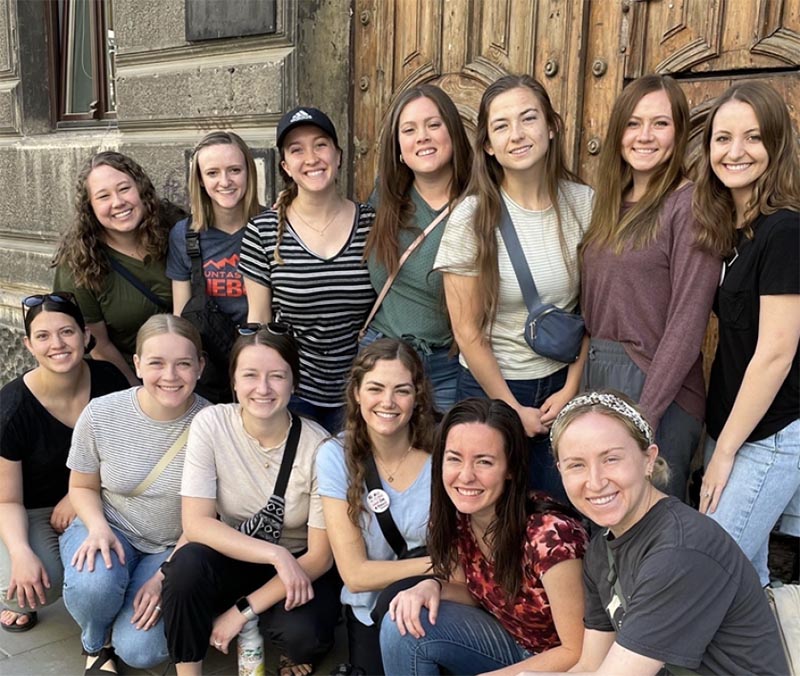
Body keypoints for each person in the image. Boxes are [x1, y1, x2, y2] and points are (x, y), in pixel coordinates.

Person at [540, 391, 788, 675]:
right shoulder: (601, 551)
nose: (595, 482)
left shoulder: (681, 549)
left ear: (648, 459)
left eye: (611, 459)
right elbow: (590, 666)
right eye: (577, 465)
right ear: (560, 471)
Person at [434, 74, 593, 498]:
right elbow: (467, 332)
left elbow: (593, 312)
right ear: (487, 144)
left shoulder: (585, 204)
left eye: (528, 119)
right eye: (501, 126)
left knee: (559, 517)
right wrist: (509, 406)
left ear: (551, 126)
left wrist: (572, 388)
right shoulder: (470, 218)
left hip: (562, 384)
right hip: (492, 391)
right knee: (493, 515)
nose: (517, 135)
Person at [161, 327, 341, 676]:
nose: (263, 388)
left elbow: (320, 557)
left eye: (277, 376)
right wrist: (276, 554)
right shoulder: (211, 424)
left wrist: (240, 611)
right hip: (238, 550)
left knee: (302, 637)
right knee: (185, 569)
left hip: (300, 564)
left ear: (293, 383)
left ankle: (265, 626)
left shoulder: (320, 448)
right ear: (234, 382)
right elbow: (196, 524)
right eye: (250, 376)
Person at [579, 74, 722, 501]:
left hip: (658, 385)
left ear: (678, 132)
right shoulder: (608, 203)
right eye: (633, 123)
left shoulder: (689, 205)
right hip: (600, 376)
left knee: (648, 520)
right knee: (601, 513)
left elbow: (687, 323)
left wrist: (645, 416)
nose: (645, 136)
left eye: (660, 123)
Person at [380, 398, 587, 676]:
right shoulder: (460, 514)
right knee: (403, 620)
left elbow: (578, 652)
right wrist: (432, 586)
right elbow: (481, 594)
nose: (466, 476)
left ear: (511, 468)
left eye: (484, 462)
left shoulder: (551, 536)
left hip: (557, 665)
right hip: (506, 639)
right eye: (454, 458)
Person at [693, 81, 800, 587]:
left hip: (768, 434)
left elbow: (776, 354)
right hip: (731, 425)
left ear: (776, 145)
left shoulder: (785, 230)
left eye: (753, 138)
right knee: (743, 580)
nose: (735, 152)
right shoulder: (732, 227)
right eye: (722, 138)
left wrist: (726, 452)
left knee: (711, 573)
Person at [59, 315, 208, 674]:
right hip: (111, 526)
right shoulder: (102, 413)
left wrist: (164, 577)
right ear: (138, 364)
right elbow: (80, 486)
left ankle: (124, 614)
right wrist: (96, 527)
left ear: (200, 367)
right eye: (156, 363)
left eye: (183, 364)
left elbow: (211, 517)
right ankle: (96, 644)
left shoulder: (213, 424)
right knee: (95, 583)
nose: (170, 376)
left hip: (174, 544)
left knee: (141, 651)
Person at [239, 107, 376, 432]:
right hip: (295, 392)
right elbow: (259, 322)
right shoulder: (264, 231)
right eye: (297, 150)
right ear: (286, 166)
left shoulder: (372, 223)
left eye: (320, 145)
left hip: (363, 393)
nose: (311, 158)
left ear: (339, 155)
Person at [0, 293, 127, 633]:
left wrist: (78, 494)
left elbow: (127, 450)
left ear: (86, 336)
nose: (57, 344)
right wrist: (21, 553)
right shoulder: (12, 409)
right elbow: (7, 499)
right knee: (34, 586)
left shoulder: (110, 380)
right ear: (28, 344)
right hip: (33, 508)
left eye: (67, 332)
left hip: (99, 494)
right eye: (43, 336)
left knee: (102, 569)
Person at [316, 338, 437, 675]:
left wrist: (440, 575)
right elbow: (355, 575)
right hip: (372, 608)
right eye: (375, 388)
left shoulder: (443, 451)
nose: (388, 402)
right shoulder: (334, 456)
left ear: (417, 396)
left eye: (402, 390)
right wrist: (438, 565)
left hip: (437, 598)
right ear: (356, 392)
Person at [363, 85, 472, 411]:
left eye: (434, 125)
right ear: (399, 147)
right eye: (409, 130)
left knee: (441, 459)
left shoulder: (479, 204)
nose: (422, 137)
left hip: (446, 366)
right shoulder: (386, 197)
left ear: (453, 132)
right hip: (382, 358)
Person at [53, 151, 180, 385]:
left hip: (195, 370)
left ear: (141, 190)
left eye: (124, 189)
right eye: (103, 196)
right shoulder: (79, 264)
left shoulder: (175, 228)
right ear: (90, 207)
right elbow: (99, 345)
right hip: (133, 378)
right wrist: (136, 393)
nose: (118, 202)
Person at [167, 130, 264, 403]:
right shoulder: (184, 235)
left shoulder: (273, 227)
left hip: (260, 359)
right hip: (209, 369)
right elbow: (181, 316)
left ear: (249, 172)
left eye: (234, 170)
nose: (225, 181)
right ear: (199, 179)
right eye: (212, 173)